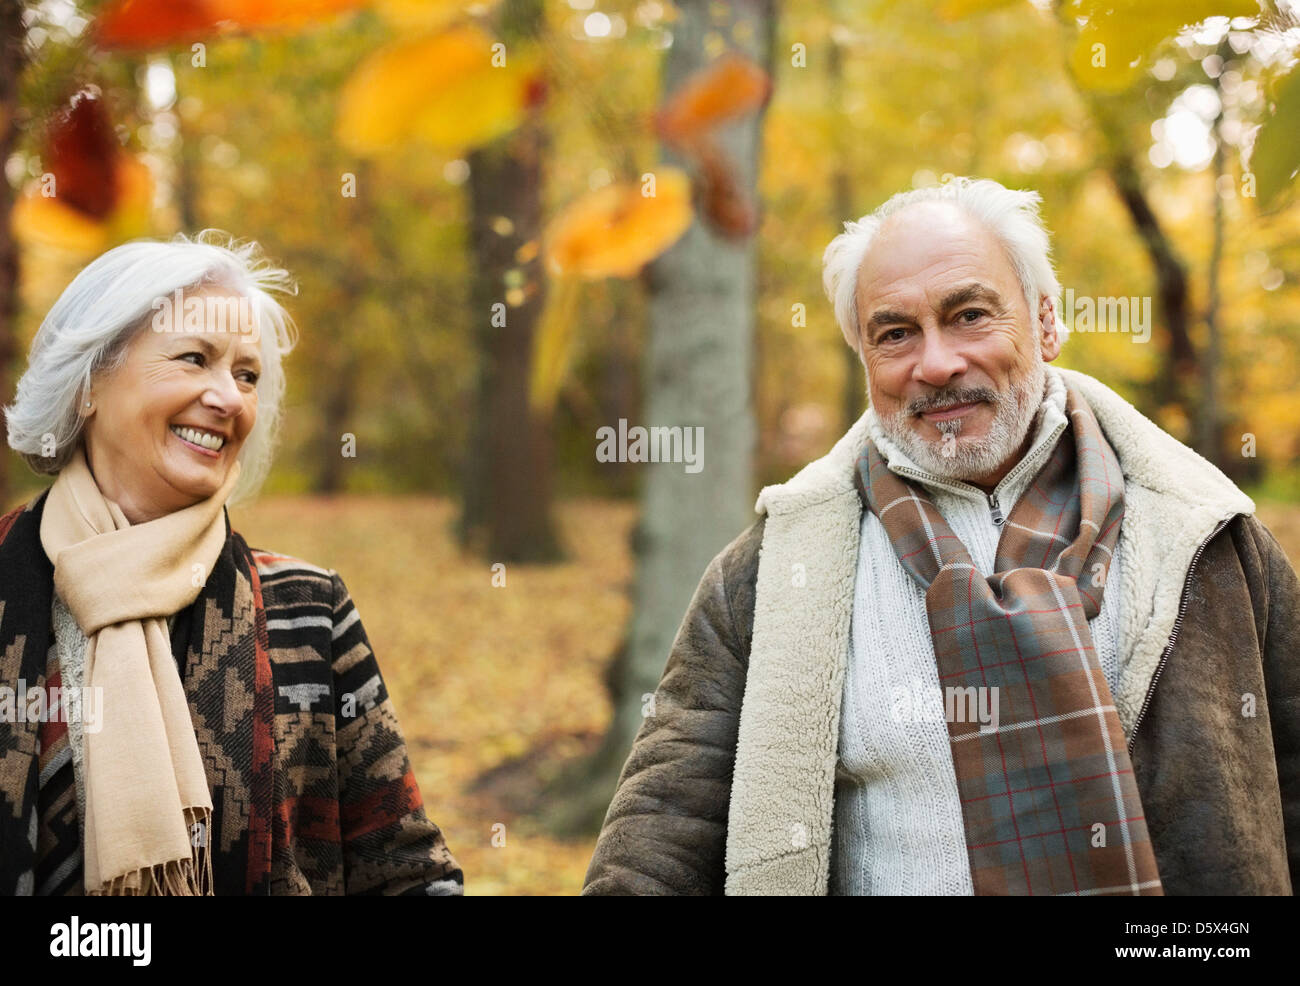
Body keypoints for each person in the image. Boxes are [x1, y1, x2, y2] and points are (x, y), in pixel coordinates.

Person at [583, 176, 1300, 896]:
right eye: (895, 333)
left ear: (1047, 322)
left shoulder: (1207, 538)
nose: (935, 364)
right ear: (864, 358)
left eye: (969, 316)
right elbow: (662, 833)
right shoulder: (770, 574)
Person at [0, 232, 463, 896]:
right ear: (88, 384)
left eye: (246, 374)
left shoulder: (308, 608)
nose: (230, 399)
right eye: (195, 359)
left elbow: (407, 872)